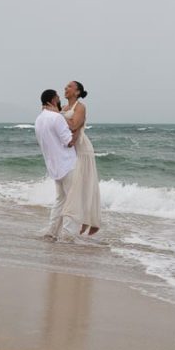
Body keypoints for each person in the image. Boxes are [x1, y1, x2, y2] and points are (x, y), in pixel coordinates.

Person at [34, 89, 81, 241]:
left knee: (60, 200)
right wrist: (79, 129)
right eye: (58, 97)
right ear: (53, 100)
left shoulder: (38, 120)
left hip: (53, 166)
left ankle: (52, 231)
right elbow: (68, 142)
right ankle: (68, 235)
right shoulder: (56, 118)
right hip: (67, 164)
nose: (60, 99)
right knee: (72, 201)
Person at [60, 80, 102, 235]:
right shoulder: (64, 108)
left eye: (69, 86)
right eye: (65, 87)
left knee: (85, 184)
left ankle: (92, 221)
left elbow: (74, 125)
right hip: (71, 149)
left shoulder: (80, 107)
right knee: (77, 185)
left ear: (77, 92)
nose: (66, 88)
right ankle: (83, 220)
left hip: (83, 148)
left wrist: (60, 116)